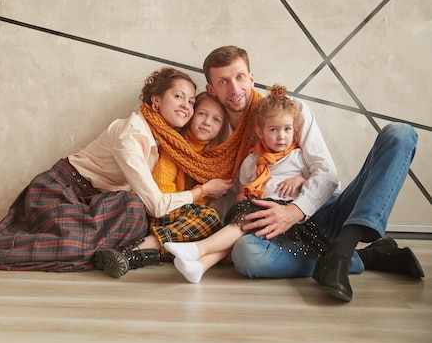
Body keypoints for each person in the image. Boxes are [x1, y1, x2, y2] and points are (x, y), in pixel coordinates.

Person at [0, 67, 230, 272]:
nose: (187, 107)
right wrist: (204, 190)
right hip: (60, 190)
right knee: (77, 242)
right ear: (155, 101)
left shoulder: (170, 141)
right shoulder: (131, 133)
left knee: (134, 215)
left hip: (96, 200)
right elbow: (157, 203)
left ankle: (121, 252)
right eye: (179, 97)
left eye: (191, 102)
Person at [199, 45, 423, 302]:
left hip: (324, 212)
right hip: (277, 230)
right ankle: (362, 256)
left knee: (401, 134)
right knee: (246, 255)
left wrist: (295, 210)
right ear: (211, 90)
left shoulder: (291, 112)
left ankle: (341, 252)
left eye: (239, 77)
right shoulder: (218, 137)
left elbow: (326, 173)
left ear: (251, 77)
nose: (235, 89)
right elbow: (233, 196)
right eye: (223, 82)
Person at [164, 84, 332, 283]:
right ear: (260, 132)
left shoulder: (297, 157)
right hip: (258, 214)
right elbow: (242, 191)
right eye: (274, 130)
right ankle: (200, 267)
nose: (281, 136)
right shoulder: (251, 162)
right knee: (242, 221)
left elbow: (316, 182)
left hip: (287, 220)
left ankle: (199, 248)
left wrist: (300, 180)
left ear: (294, 131)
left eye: (287, 129)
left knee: (246, 217)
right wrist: (241, 196)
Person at [94, 91, 231, 278]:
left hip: (182, 221)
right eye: (202, 114)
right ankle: (134, 250)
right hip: (159, 211)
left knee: (216, 229)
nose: (207, 122)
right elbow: (162, 194)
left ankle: (136, 256)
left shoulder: (213, 160)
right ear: (191, 115)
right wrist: (201, 193)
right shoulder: (175, 148)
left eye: (217, 120)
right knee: (209, 218)